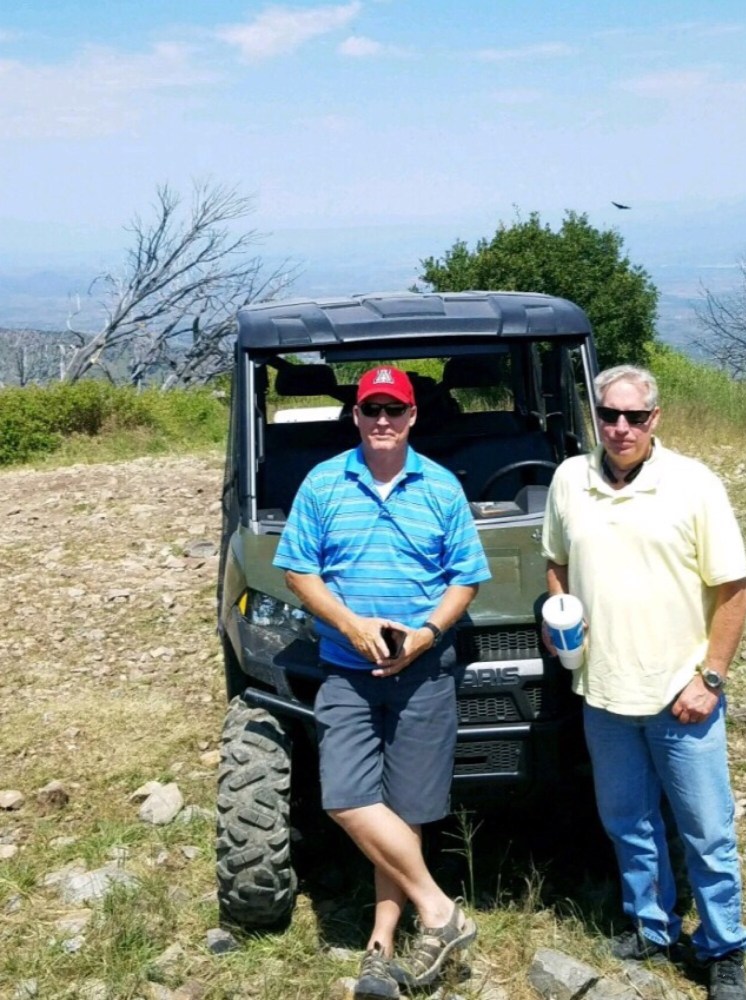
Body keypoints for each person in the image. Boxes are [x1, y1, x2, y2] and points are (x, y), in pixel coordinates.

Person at [273, 365, 490, 1000]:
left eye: (395, 409)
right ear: (357, 415)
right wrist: (349, 623)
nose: (383, 420)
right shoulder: (323, 482)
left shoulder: (442, 487)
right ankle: (441, 910)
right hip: (348, 669)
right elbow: (298, 571)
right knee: (346, 798)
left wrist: (427, 633)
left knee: (406, 812)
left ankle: (381, 946)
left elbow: (466, 577)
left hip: (423, 670)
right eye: (372, 409)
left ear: (413, 415)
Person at [541, 364, 746, 1000]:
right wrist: (559, 615)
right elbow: (556, 561)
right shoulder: (569, 479)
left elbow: (734, 589)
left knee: (706, 830)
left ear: (655, 418)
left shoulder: (694, 484)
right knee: (628, 822)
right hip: (603, 694)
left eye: (635, 416)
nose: (621, 428)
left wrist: (710, 678)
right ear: (595, 416)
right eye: (609, 415)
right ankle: (650, 925)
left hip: (681, 695)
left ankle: (722, 947)